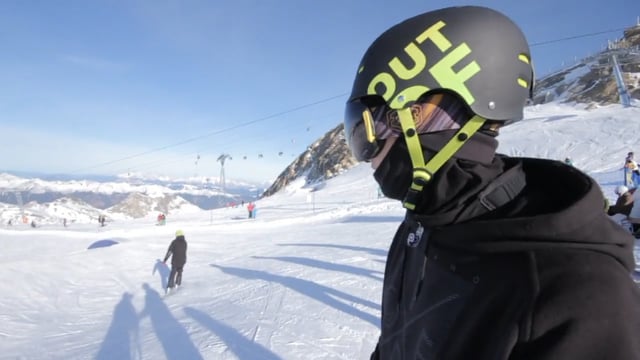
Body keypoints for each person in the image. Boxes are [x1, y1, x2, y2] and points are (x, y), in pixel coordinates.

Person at [343, 6, 640, 359]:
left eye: (368, 132)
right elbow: (396, 339)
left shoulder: (580, 293)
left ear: (423, 118)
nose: (369, 157)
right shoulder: (417, 227)